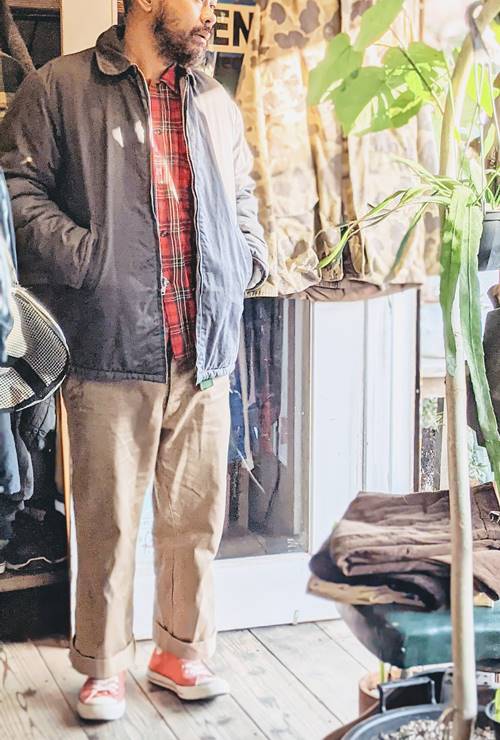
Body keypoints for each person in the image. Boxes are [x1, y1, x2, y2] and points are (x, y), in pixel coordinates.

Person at [0, 0, 267, 722]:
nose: (209, 11)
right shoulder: (59, 88)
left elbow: (241, 193)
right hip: (111, 345)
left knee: (195, 518)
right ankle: (104, 663)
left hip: (203, 345)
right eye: (198, 0)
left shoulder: (212, 101)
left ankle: (180, 650)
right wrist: (89, 258)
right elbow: (14, 190)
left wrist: (246, 257)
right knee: (108, 521)